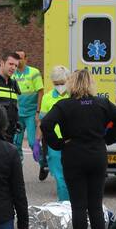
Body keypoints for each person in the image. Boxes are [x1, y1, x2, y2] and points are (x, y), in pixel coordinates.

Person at [40, 69, 116, 229]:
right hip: (97, 154)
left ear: (71, 84)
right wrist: (108, 138)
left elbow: (46, 123)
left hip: (73, 154)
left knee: (79, 205)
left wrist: (59, 143)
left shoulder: (64, 105)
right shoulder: (102, 103)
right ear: (91, 84)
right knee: (95, 204)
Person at [36, 65, 70, 200]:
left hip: (72, 141)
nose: (60, 86)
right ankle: (64, 204)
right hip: (54, 143)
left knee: (71, 175)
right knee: (59, 177)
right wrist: (37, 141)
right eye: (56, 84)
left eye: (62, 83)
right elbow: (42, 121)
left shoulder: (73, 95)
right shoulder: (47, 98)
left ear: (68, 80)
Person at [12, 50, 44, 162]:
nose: (18, 60)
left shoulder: (34, 72)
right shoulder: (12, 73)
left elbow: (41, 92)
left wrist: (38, 112)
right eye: (16, 58)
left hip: (31, 113)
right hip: (18, 114)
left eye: (20, 58)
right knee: (16, 143)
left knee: (32, 142)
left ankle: (43, 163)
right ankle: (18, 169)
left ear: (26, 59)